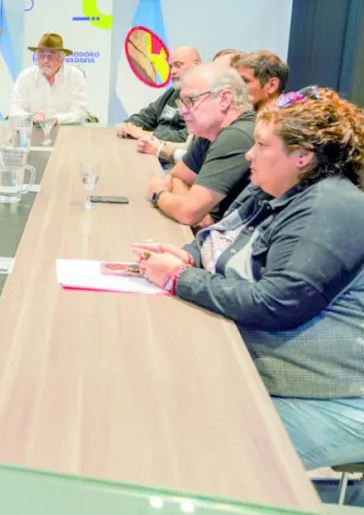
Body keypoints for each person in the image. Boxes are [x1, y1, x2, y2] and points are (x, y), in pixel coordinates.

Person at [131, 87, 364, 469]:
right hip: (276, 370)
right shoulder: (271, 188)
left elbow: (276, 304)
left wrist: (179, 278)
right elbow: (218, 239)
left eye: (262, 145)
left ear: (302, 156)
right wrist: (187, 256)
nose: (249, 155)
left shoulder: (331, 208)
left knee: (187, 446)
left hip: (335, 396)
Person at [146, 64, 255, 227]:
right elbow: (176, 177)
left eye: (191, 101)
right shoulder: (209, 131)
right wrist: (196, 214)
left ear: (225, 99)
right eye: (182, 102)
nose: (182, 111)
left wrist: (159, 194)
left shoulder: (236, 136)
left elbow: (188, 213)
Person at [118, 45, 200, 144]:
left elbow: (188, 136)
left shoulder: (205, 97)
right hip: (152, 146)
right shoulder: (173, 92)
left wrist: (148, 135)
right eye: (170, 67)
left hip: (171, 150)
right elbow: (148, 114)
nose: (172, 71)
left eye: (178, 65)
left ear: (197, 64)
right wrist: (130, 125)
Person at [9, 32, 88, 124]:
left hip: (66, 131)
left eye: (51, 56)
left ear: (61, 58)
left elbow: (80, 112)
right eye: (41, 55)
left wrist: (55, 119)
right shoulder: (26, 76)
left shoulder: (75, 76)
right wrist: (32, 117)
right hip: (33, 130)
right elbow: (14, 109)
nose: (45, 60)